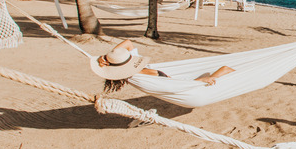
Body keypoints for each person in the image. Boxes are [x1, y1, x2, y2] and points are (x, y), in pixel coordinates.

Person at [90, 39, 235, 93]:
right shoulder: (136, 73)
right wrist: (198, 82)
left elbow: (127, 43)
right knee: (224, 70)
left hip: (175, 80)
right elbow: (171, 86)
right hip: (179, 84)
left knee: (221, 71)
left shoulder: (133, 63)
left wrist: (107, 56)